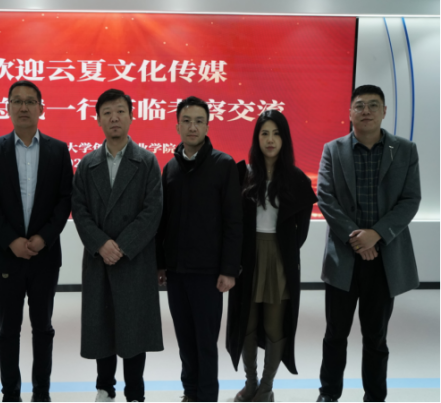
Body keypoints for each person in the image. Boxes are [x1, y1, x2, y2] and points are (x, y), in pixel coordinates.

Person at [315, 85, 421, 403]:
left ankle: (375, 397)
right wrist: (356, 237)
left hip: (384, 259)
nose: (366, 111)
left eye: (374, 105)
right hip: (343, 258)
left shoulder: (405, 150)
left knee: (376, 336)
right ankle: (329, 393)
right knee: (335, 333)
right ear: (350, 112)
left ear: (384, 111)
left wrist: (376, 234)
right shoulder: (333, 149)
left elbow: (410, 199)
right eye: (359, 105)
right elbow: (325, 197)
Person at [0, 80, 73, 403]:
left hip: (45, 256)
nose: (23, 107)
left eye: (30, 101)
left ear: (41, 108)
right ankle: (11, 394)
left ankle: (41, 393)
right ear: (7, 108)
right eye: (16, 101)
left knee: (43, 328)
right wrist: (11, 240)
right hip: (7, 256)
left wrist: (44, 237)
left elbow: (65, 199)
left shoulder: (58, 150)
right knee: (8, 330)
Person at [72, 88, 164, 403]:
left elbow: (152, 211)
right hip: (99, 260)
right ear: (98, 119)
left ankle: (135, 393)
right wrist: (101, 244)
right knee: (102, 327)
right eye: (107, 112)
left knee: (133, 328)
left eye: (120, 111)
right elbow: (79, 210)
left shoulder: (147, 162)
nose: (114, 118)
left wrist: (121, 246)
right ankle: (104, 388)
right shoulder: (87, 164)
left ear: (131, 116)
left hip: (133, 260)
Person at [226, 110, 317, 403]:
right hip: (248, 258)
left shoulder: (297, 180)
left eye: (276, 134)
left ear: (285, 139)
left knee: (274, 326)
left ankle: (266, 388)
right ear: (256, 138)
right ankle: (251, 383)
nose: (270, 139)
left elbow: (301, 232)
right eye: (264, 133)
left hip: (278, 258)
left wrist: (283, 253)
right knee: (247, 324)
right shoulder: (242, 175)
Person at [156, 96, 243, 403]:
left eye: (199, 121)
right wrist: (161, 263)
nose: (192, 126)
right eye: (187, 121)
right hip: (177, 271)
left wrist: (229, 269)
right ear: (177, 126)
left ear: (207, 126)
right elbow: (163, 222)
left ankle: (206, 397)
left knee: (205, 342)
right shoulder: (170, 168)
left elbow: (234, 221)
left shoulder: (223, 165)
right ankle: (190, 393)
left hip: (209, 273)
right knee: (185, 340)